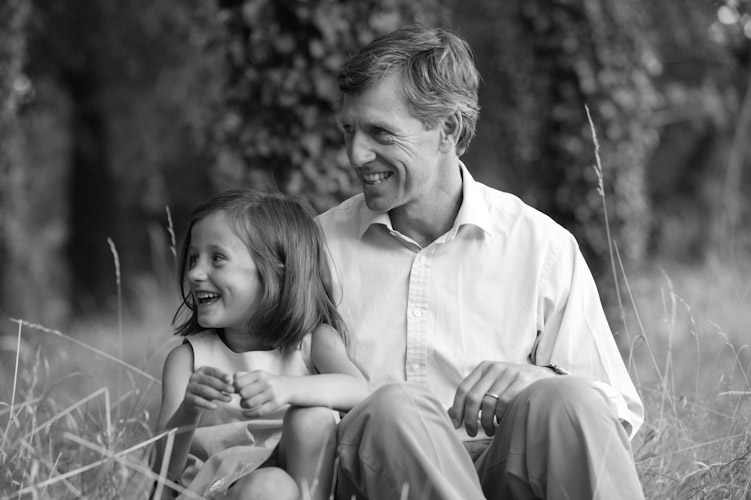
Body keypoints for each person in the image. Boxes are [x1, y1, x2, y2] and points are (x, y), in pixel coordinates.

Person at [317, 24, 646, 500]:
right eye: (349, 130)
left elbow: (615, 414)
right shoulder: (317, 249)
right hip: (375, 481)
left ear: (448, 129)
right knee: (392, 409)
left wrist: (540, 378)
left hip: (503, 471)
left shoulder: (541, 246)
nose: (356, 154)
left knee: (569, 397)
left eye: (380, 133)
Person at [153, 189, 370, 500]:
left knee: (311, 417)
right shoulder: (187, 359)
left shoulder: (314, 343)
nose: (194, 273)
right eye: (193, 259)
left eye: (217, 258)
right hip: (214, 491)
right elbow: (162, 468)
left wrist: (287, 389)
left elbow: (363, 394)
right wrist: (188, 410)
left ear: (277, 269)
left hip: (298, 484)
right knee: (268, 486)